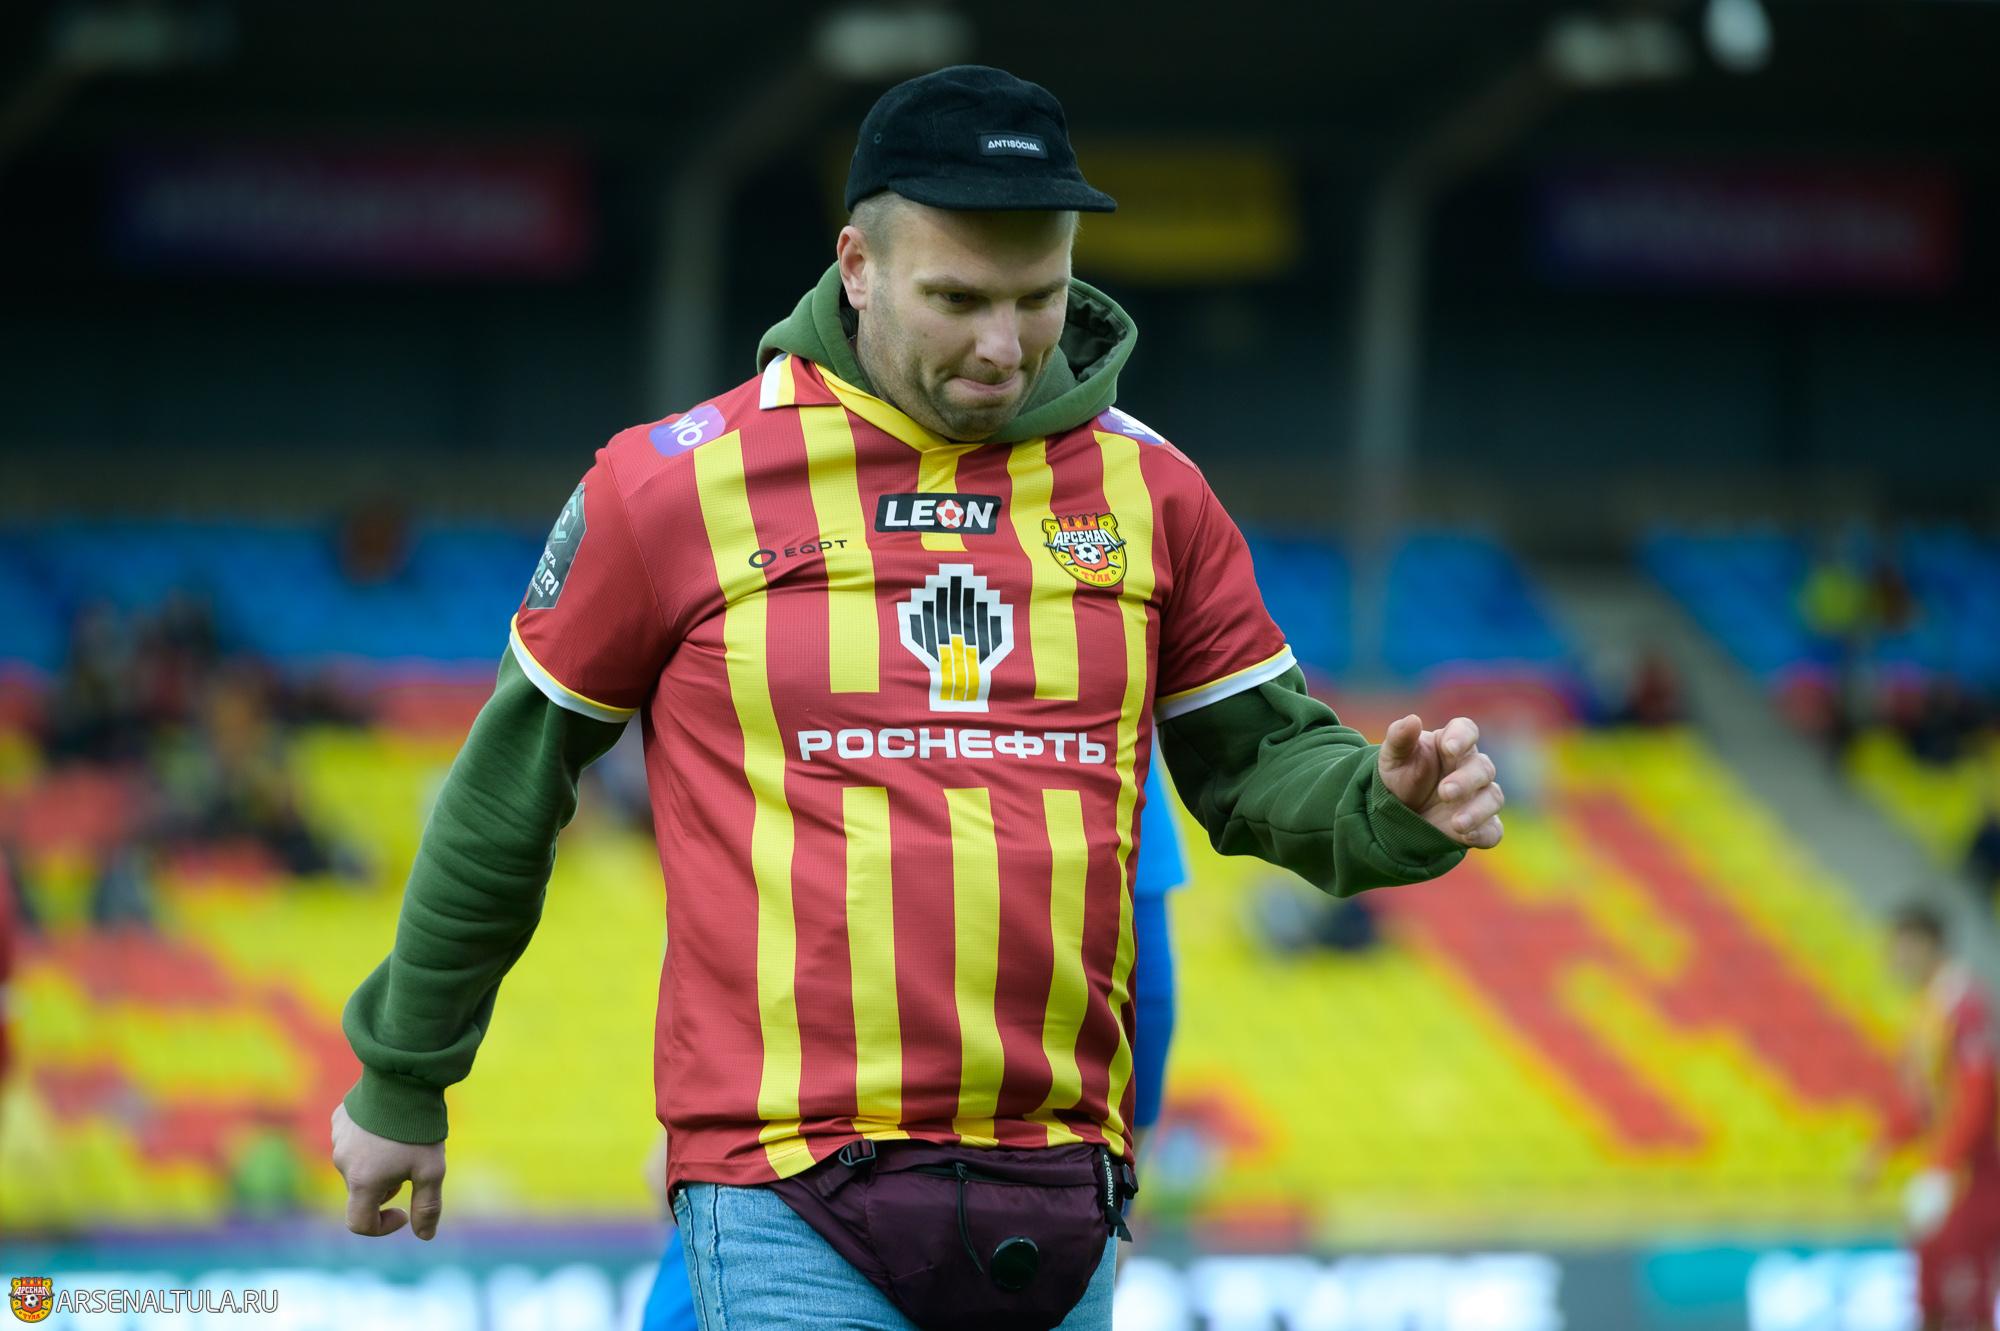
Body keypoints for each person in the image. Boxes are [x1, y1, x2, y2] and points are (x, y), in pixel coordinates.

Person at [330, 66, 1503, 1331]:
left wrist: (1386, 804)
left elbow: (1257, 762)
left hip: (1061, 1190)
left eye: (1037, 298)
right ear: (857, 265)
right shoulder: (669, 486)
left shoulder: (1154, 492)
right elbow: (505, 793)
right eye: (957, 299)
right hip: (786, 1189)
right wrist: (403, 1074)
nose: (1002, 346)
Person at [639, 760, 1186, 1331]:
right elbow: (1143, 972)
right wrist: (1119, 1186)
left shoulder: (775, 705)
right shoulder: (1082, 712)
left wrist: (693, 1121)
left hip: (794, 1175)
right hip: (1027, 1190)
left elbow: (722, 904)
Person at [1857, 905, 2000, 1331]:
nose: (1896, 959)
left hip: (1974, 1176)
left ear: (1929, 945)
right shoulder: (1926, 1011)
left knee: (1965, 1307)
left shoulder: (1963, 1006)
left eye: (1903, 947)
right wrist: (1883, 1147)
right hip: (1945, 1174)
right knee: (1930, 1302)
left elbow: (1977, 1095)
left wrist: (1941, 1168)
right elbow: (1925, 1101)